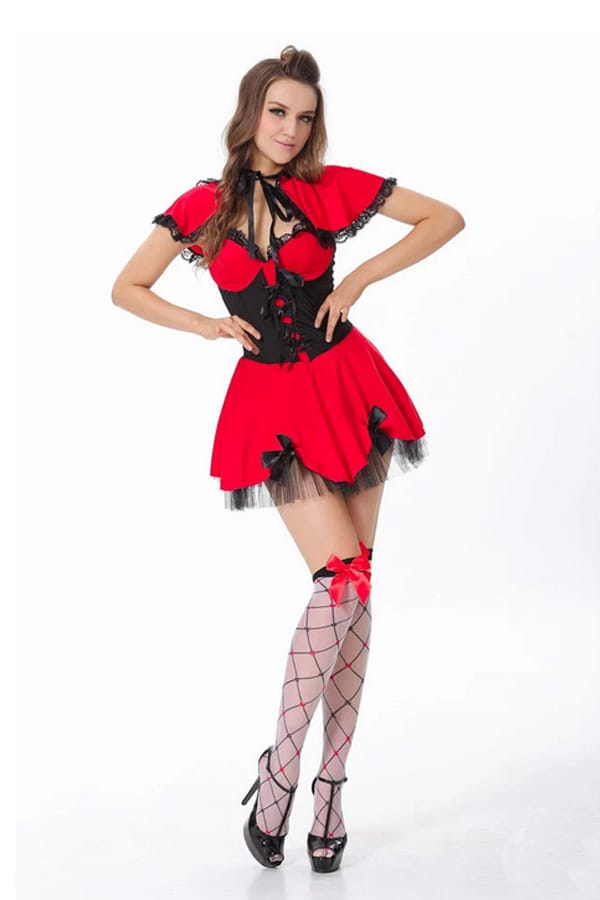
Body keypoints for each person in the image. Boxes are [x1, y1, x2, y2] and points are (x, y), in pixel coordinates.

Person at [112, 44, 465, 874]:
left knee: (357, 586)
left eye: (304, 117)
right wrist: (206, 326)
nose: (291, 128)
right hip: (273, 403)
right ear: (250, 113)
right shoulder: (202, 205)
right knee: (339, 582)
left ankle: (330, 786)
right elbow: (127, 287)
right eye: (278, 112)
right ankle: (281, 768)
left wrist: (359, 279)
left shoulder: (328, 187)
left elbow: (445, 218)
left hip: (349, 384)